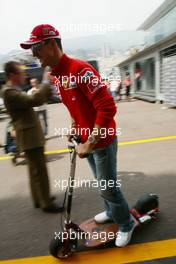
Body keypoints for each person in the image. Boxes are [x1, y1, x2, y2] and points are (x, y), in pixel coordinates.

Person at [20, 24, 136, 246]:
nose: (33, 54)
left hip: (101, 140)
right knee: (102, 183)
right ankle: (111, 212)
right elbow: (74, 106)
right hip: (85, 141)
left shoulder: (80, 70)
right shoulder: (58, 76)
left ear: (52, 44)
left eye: (36, 48)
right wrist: (74, 127)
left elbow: (107, 106)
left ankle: (126, 223)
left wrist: (90, 142)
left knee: (108, 186)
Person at [2, 61, 64, 213]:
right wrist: (45, 80)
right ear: (12, 75)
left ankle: (39, 198)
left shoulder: (12, 89)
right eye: (21, 73)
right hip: (29, 135)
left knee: (34, 169)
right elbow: (34, 100)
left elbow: (39, 99)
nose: (24, 75)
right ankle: (47, 203)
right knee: (40, 170)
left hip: (28, 134)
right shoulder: (9, 92)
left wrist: (45, 86)